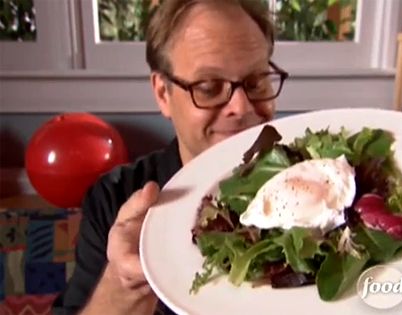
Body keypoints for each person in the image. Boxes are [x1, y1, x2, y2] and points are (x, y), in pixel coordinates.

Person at [52, 0, 288, 314]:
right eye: (209, 87)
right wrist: (124, 287)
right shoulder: (114, 201)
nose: (242, 108)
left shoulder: (316, 182)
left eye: (256, 81)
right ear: (163, 93)